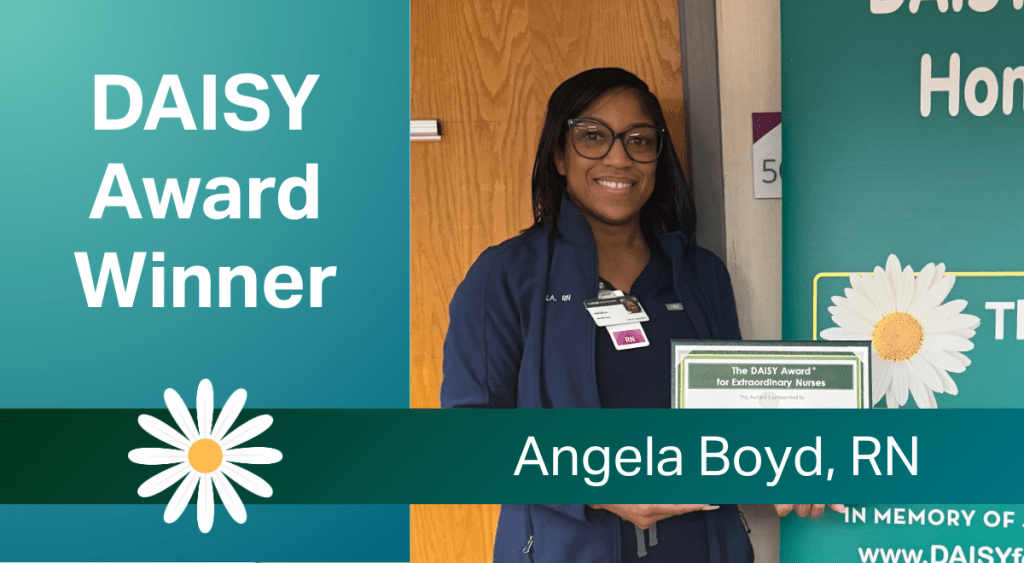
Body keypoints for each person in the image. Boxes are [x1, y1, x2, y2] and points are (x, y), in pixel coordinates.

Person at [441, 68, 839, 562]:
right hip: (566, 549)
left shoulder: (700, 273)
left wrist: (791, 460)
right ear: (560, 156)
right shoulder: (506, 275)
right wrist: (597, 488)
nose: (619, 157)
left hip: (703, 547)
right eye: (592, 137)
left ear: (658, 156)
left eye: (639, 140)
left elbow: (739, 411)